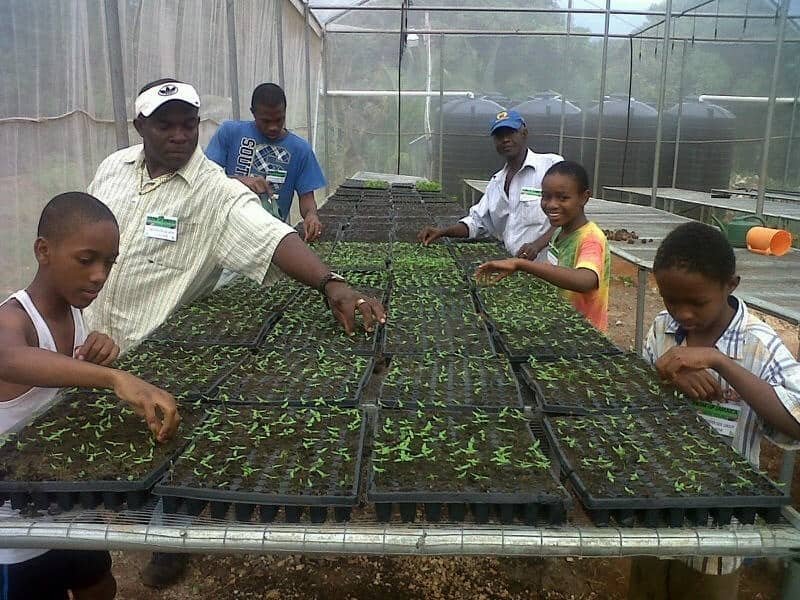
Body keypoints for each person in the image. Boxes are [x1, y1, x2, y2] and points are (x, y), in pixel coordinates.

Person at [84, 78, 385, 587]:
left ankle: (168, 537)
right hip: (95, 341)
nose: (180, 135)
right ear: (140, 126)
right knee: (104, 441)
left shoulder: (214, 192)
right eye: (166, 124)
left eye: (188, 124)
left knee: (166, 439)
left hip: (163, 349)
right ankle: (116, 515)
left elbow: (272, 236)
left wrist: (331, 283)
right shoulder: (113, 168)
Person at [0, 192, 180, 600]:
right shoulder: (14, 318)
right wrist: (112, 377)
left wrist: (94, 349)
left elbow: (60, 373)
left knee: (98, 585)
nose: (100, 275)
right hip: (16, 532)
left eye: (109, 263)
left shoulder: (74, 313)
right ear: (43, 251)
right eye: (87, 260)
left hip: (74, 506)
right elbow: (9, 358)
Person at [628, 222, 800, 600]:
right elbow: (637, 393)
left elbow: (796, 420)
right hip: (654, 501)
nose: (683, 314)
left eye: (698, 302)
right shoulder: (662, 328)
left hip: (720, 521)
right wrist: (667, 376)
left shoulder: (760, 344)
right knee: (647, 583)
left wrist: (721, 363)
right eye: (672, 300)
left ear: (730, 285)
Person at [475, 161, 610, 331]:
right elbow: (557, 269)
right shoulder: (558, 232)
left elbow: (585, 280)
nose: (551, 204)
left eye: (563, 198)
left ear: (584, 197)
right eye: (546, 196)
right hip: (564, 321)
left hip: (586, 331)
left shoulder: (591, 238)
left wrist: (521, 264)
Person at [417, 109, 563, 259]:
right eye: (499, 135)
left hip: (550, 269)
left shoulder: (550, 166)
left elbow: (569, 214)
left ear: (524, 133)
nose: (505, 139)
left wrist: (537, 245)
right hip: (516, 271)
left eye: (510, 132)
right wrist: (442, 232)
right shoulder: (496, 184)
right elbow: (477, 222)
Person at [205, 82, 325, 241]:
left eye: (279, 119)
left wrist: (311, 216)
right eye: (266, 121)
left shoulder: (300, 150)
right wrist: (240, 181)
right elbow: (206, 177)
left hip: (270, 236)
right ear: (253, 113)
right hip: (226, 231)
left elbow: (307, 198)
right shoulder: (230, 133)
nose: (273, 127)